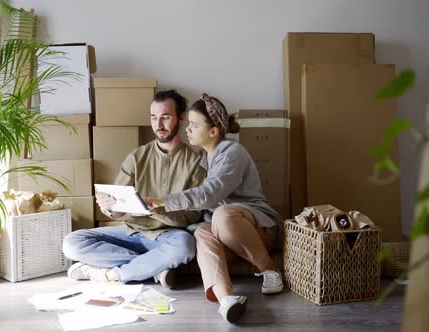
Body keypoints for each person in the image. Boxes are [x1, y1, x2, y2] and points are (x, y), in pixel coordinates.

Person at [146, 93, 284, 323]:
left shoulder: (233, 153)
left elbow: (209, 195)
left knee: (223, 214)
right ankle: (226, 300)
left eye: (194, 124)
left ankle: (270, 270)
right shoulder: (203, 160)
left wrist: (163, 200)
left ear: (213, 131)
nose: (187, 129)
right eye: (188, 123)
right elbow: (200, 206)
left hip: (257, 229)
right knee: (201, 231)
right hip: (224, 232)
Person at [62, 90, 206, 289]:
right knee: (71, 242)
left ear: (181, 119)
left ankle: (112, 274)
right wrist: (109, 206)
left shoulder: (196, 162)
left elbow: (192, 216)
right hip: (132, 232)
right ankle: (154, 267)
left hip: (168, 236)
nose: (159, 125)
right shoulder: (137, 156)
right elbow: (118, 207)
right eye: (154, 118)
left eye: (165, 117)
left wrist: (156, 208)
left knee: (185, 246)